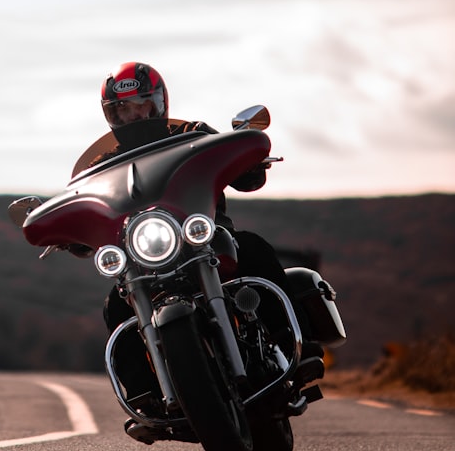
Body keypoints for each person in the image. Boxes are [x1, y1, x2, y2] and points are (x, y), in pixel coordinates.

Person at [83, 62, 322, 409]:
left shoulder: (193, 135)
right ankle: (144, 395)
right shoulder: (103, 166)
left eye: (139, 104)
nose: (132, 116)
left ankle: (297, 346)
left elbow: (243, 173)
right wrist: (73, 229)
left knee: (253, 248)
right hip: (147, 256)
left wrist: (248, 160)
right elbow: (88, 202)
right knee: (117, 303)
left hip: (207, 238)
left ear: (159, 102)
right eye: (121, 109)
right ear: (110, 115)